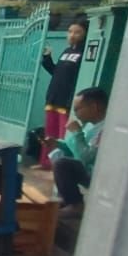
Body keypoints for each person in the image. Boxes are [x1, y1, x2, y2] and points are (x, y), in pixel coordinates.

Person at [46, 86, 108, 216]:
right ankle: (67, 200)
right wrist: (57, 144)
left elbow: (86, 157)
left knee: (62, 164)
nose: (76, 114)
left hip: (101, 175)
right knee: (58, 157)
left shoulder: (106, 129)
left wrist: (76, 132)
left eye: (77, 110)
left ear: (94, 107)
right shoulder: (92, 127)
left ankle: (76, 205)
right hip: (88, 169)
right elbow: (78, 150)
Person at [39, 17, 88, 167]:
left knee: (62, 135)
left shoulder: (84, 53)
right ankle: (46, 162)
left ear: (85, 34)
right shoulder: (66, 51)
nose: (72, 35)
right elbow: (56, 72)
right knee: (50, 133)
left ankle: (60, 165)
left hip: (66, 100)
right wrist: (47, 59)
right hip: (53, 97)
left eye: (77, 32)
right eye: (70, 31)